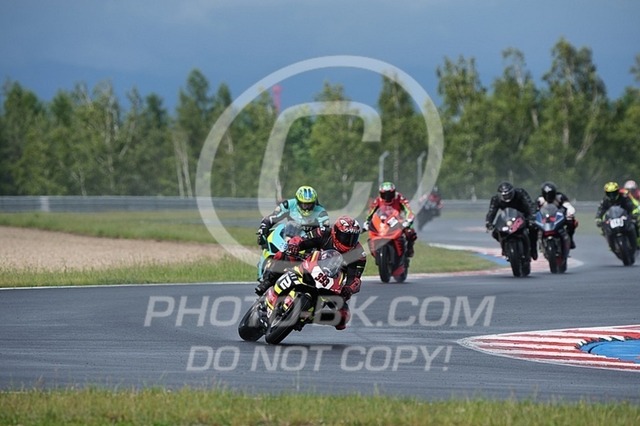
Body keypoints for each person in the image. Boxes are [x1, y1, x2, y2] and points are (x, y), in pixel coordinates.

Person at [258, 215, 367, 331]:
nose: (349, 241)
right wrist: (294, 246)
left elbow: (354, 278)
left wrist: (349, 288)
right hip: (310, 264)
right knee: (283, 254)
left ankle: (308, 318)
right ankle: (267, 280)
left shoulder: (358, 254)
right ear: (335, 232)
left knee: (343, 318)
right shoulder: (324, 233)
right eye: (346, 237)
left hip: (331, 283)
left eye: (353, 238)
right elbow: (303, 240)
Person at [256, 185, 330, 248]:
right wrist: (263, 229)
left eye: (309, 204)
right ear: (298, 202)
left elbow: (325, 232)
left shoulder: (321, 211)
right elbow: (271, 218)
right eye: (304, 204)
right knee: (285, 226)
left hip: (309, 243)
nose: (307, 207)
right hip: (288, 239)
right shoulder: (288, 205)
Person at [485, 181, 538, 260]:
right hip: (507, 219)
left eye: (508, 195)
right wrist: (489, 222)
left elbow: (530, 205)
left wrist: (532, 217)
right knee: (495, 233)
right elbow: (492, 211)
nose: (507, 197)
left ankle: (533, 249)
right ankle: (505, 248)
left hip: (523, 216)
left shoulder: (520, 193)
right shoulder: (496, 199)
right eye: (504, 196)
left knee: (533, 228)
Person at [363, 181, 417, 257]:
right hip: (382, 222)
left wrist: (408, 219)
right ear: (380, 194)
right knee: (371, 234)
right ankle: (375, 251)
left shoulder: (399, 197)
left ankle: (409, 248)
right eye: (384, 194)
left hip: (397, 220)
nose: (387, 197)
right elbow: (371, 213)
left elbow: (408, 209)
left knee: (410, 231)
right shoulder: (378, 200)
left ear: (394, 193)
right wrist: (367, 222)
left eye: (389, 194)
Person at [537, 181, 579, 249]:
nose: (548, 196)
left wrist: (569, 214)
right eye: (546, 194)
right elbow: (534, 210)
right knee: (533, 227)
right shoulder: (540, 200)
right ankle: (536, 245)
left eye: (551, 194)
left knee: (572, 222)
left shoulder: (560, 197)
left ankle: (570, 239)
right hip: (545, 219)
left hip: (558, 218)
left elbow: (568, 206)